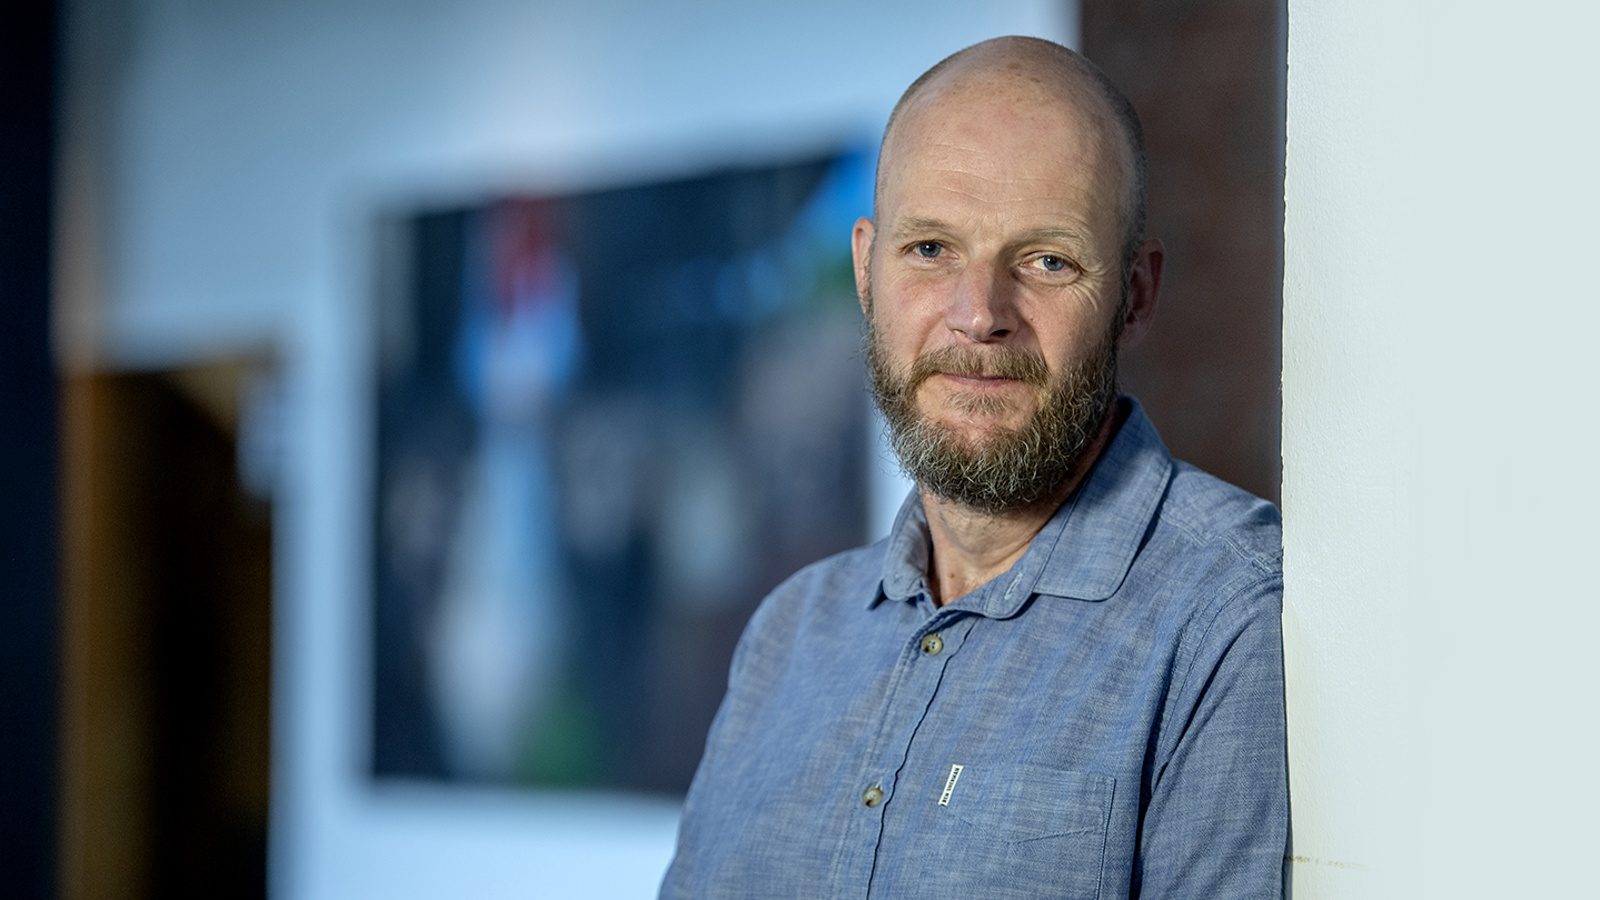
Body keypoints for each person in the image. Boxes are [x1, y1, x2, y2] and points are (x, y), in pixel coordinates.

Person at [660, 35, 1287, 899]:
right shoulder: (787, 636)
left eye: (1047, 261)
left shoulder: (1232, 623)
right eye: (930, 249)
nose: (979, 314)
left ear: (1135, 295)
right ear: (865, 271)